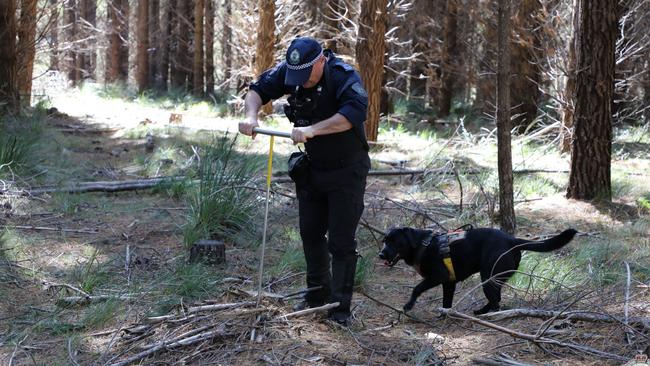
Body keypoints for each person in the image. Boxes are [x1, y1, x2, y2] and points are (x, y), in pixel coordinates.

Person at [239, 37, 370, 325]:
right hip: (313, 169)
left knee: (341, 241)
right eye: (295, 75)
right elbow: (257, 90)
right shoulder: (294, 70)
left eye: (307, 75)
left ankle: (340, 308)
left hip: (347, 171)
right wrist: (251, 116)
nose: (302, 82)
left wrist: (313, 129)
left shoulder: (343, 76)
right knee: (310, 232)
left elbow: (353, 114)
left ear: (321, 60)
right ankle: (316, 294)